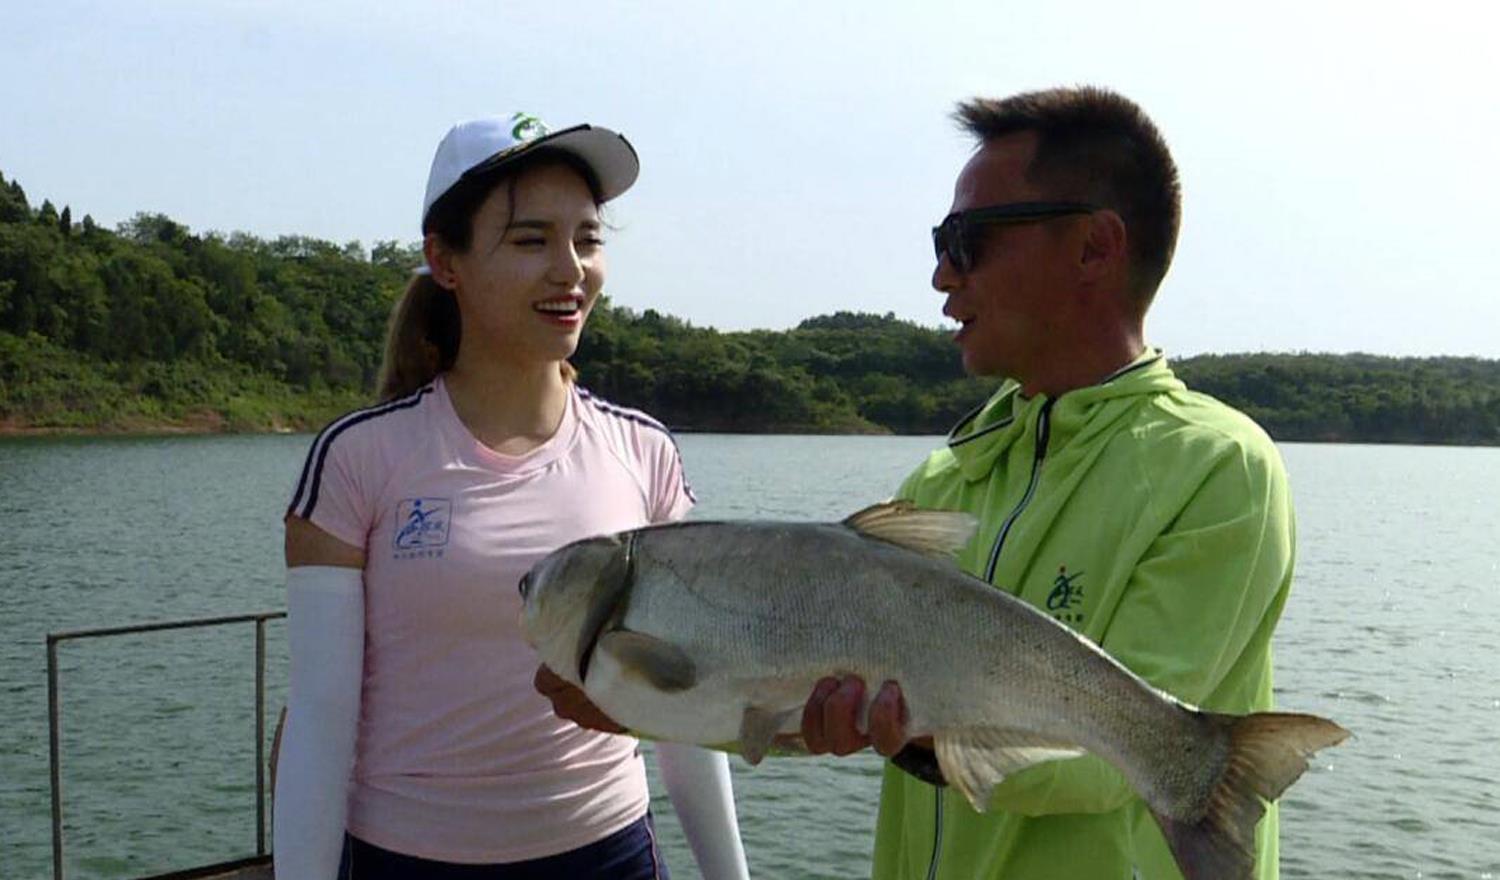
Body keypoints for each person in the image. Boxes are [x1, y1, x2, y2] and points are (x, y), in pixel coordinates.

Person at [799, 87, 1297, 879]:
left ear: (1095, 247)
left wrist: (914, 729)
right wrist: (619, 679)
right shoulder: (941, 477)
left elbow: (1108, 759)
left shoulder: (1217, 468)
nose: (939, 276)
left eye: (965, 239)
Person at [274, 113, 751, 880]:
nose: (570, 269)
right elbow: (321, 725)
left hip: (610, 854)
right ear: (445, 260)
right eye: (531, 240)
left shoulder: (645, 452)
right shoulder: (359, 458)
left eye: (587, 239)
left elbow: (678, 709)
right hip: (409, 858)